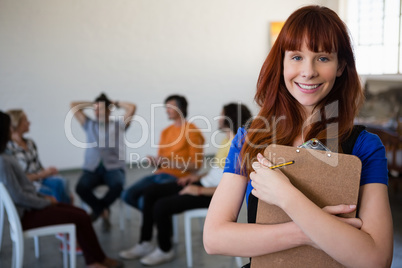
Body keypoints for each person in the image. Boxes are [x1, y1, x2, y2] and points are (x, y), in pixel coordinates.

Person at [203, 5, 393, 268]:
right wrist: (305, 233)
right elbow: (215, 238)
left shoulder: (364, 146)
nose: (308, 71)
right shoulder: (250, 139)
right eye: (296, 57)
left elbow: (375, 259)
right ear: (281, 62)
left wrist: (285, 195)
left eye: (323, 58)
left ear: (341, 67)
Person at [119, 103, 252, 266]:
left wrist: (198, 189)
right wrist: (194, 178)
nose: (218, 118)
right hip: (202, 184)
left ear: (229, 118)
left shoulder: (240, 145)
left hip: (212, 195)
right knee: (150, 192)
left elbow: (235, 187)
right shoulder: (227, 140)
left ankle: (165, 249)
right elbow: (217, 171)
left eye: (221, 115)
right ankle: (145, 242)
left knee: (161, 205)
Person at [0, 111, 123, 268]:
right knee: (81, 217)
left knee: (81, 213)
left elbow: (23, 189)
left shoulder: (6, 155)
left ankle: (98, 259)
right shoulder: (3, 160)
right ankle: (94, 262)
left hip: (31, 207)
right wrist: (44, 201)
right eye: (8, 127)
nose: (11, 130)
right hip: (27, 215)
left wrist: (43, 199)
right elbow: (18, 196)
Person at [121, 95, 205, 211]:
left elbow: (196, 166)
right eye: (166, 107)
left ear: (181, 108)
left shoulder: (192, 131)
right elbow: (161, 162)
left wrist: (169, 163)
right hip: (159, 174)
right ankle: (156, 216)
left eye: (170, 107)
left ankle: (158, 219)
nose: (167, 110)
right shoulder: (165, 132)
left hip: (178, 178)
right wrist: (154, 162)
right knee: (127, 195)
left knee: (144, 201)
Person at [71, 93, 136, 232]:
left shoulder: (119, 125)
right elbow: (73, 105)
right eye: (95, 109)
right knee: (80, 188)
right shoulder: (88, 124)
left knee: (118, 186)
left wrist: (115, 102)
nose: (96, 112)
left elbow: (132, 107)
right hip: (91, 169)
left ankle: (97, 210)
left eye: (100, 109)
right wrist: (93, 104)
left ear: (108, 110)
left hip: (113, 168)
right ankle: (102, 210)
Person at [6, 109, 72, 204]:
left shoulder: (30, 143)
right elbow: (20, 178)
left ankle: (67, 210)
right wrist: (44, 174)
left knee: (62, 182)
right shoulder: (9, 149)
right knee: (53, 192)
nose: (29, 122)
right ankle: (64, 210)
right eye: (25, 120)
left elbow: (38, 166)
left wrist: (48, 171)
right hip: (28, 184)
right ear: (16, 124)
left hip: (40, 179)